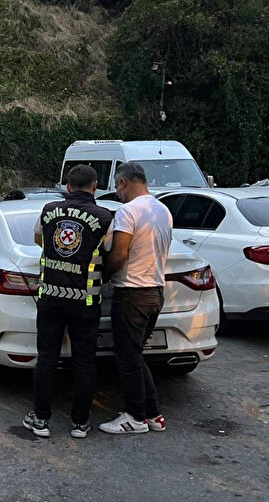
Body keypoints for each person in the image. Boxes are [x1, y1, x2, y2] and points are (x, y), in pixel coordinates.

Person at [22, 165, 113, 439]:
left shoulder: (49, 210)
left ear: (68, 186)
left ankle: (40, 419)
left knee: (47, 358)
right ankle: (81, 423)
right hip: (85, 301)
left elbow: (39, 240)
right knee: (84, 360)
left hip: (50, 295)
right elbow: (111, 251)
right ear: (95, 186)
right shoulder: (105, 216)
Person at [99, 162, 173, 435]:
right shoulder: (163, 210)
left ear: (123, 183)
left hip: (131, 293)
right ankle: (153, 414)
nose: (117, 192)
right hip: (155, 292)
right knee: (135, 355)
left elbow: (119, 254)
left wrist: (103, 275)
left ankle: (135, 417)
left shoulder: (127, 212)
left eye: (117, 187)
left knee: (127, 358)